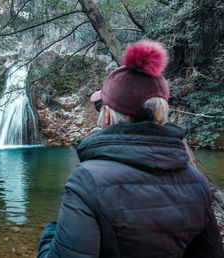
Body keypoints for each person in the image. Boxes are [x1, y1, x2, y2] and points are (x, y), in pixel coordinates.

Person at [37, 40, 224, 258]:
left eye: (101, 106)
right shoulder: (196, 181)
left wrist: (52, 231)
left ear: (107, 115)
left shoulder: (88, 181)